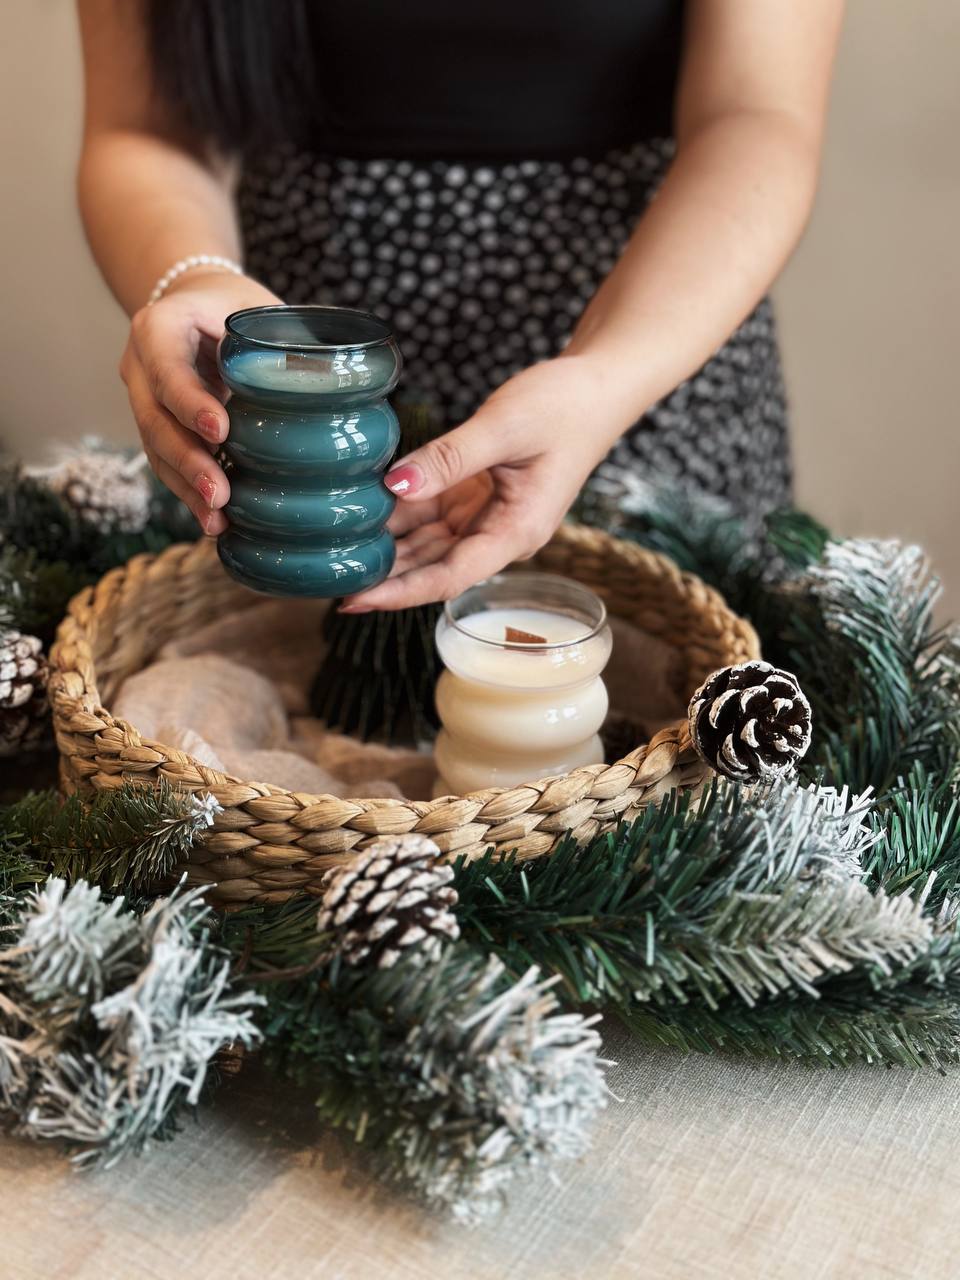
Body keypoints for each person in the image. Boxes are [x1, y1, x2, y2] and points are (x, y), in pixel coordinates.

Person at [76, 0, 843, 612]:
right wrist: (192, 276)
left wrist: (607, 377)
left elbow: (758, 114)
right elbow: (142, 127)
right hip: (291, 377)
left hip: (647, 343)